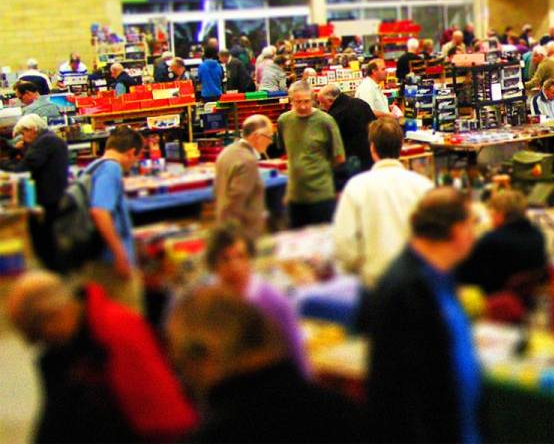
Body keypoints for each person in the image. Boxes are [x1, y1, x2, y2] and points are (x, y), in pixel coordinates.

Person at [6, 272, 197, 443]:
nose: (37, 344)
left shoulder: (116, 334)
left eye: (36, 335)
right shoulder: (65, 350)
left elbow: (163, 417)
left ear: (54, 317)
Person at [167, 286, 361, 443]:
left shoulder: (213, 436)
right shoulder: (348, 416)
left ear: (205, 359)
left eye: (181, 364)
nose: (183, 379)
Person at [364, 187, 482, 443]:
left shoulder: (441, 275)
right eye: (472, 224)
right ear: (458, 231)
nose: (474, 234)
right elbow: (402, 393)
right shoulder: (404, 289)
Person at [333, 120, 434, 288]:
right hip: (418, 282)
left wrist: (359, 269)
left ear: (372, 148)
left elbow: (344, 243)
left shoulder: (356, 187)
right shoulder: (423, 186)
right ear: (401, 147)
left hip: (375, 282)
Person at [197, 224, 310, 373]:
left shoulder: (273, 302)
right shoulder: (206, 302)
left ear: (250, 258)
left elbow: (297, 357)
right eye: (225, 259)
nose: (235, 266)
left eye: (241, 256)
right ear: (214, 265)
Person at [456, 190, 548, 315]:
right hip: (528, 300)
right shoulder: (537, 235)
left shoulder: (491, 241)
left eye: (492, 212)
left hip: (494, 303)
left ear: (500, 214)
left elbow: (464, 274)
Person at [83, 127, 143, 311]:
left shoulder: (93, 167)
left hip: (94, 255)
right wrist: (120, 254)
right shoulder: (111, 169)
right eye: (136, 158)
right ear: (131, 152)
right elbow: (100, 212)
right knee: (128, 314)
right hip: (109, 260)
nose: (134, 163)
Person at [277, 81, 346, 228]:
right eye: (298, 102)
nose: (303, 106)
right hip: (295, 196)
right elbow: (286, 152)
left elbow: (339, 157)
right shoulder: (284, 121)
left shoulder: (325, 121)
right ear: (291, 100)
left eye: (306, 101)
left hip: (321, 196)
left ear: (313, 98)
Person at [6, 115, 68, 270]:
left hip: (47, 197)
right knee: (47, 236)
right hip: (55, 194)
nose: (23, 137)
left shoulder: (45, 142)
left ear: (32, 130)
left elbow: (24, 168)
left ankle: (52, 271)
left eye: (24, 133)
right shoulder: (50, 139)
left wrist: (6, 163)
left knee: (44, 237)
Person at [213, 115, 272, 239]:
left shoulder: (227, 152)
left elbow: (217, 189)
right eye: (269, 136)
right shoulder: (247, 161)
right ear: (256, 136)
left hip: (224, 225)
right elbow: (236, 201)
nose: (270, 141)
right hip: (242, 233)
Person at [317, 84, 375, 181]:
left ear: (330, 101)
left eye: (322, 103)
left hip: (350, 164)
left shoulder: (334, 116)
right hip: (370, 157)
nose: (321, 106)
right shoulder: (361, 103)